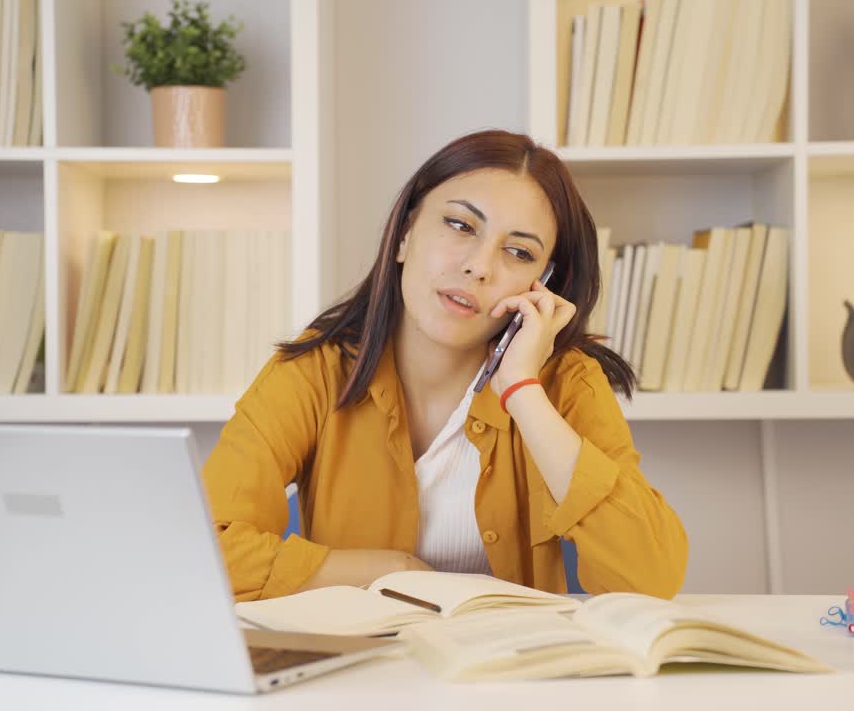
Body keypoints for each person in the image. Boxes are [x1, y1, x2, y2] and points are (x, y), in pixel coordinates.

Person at [202, 129, 688, 602]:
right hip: (357, 674)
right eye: (460, 226)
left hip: (511, 670)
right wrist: (393, 571)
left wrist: (522, 389)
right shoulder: (316, 369)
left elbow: (648, 578)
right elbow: (205, 548)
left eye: (519, 252)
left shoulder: (564, 382)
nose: (479, 265)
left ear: (543, 284)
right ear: (405, 235)